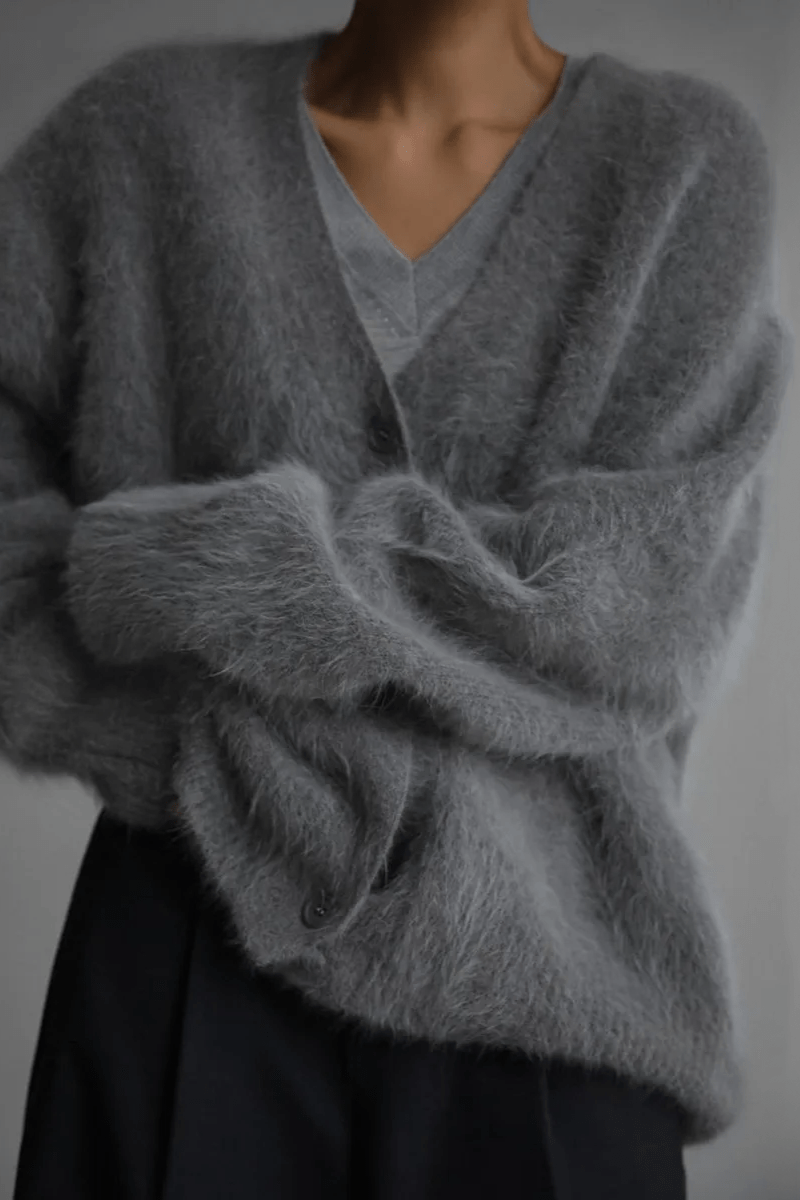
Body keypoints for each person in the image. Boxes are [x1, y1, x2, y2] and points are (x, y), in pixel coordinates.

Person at [5, 1, 791, 1197]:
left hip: (553, 981)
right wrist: (190, 744)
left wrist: (230, 573)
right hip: (190, 930)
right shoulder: (141, 136)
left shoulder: (678, 164)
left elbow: (630, 600)